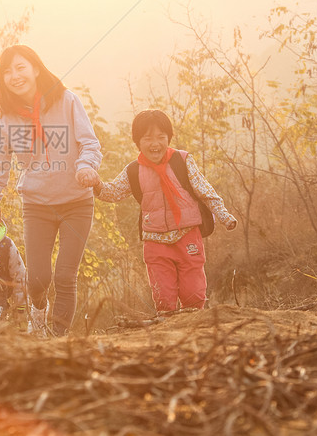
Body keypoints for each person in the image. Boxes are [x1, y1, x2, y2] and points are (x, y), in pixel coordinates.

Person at [0, 45, 102, 337]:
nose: (14, 75)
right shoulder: (5, 120)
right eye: (6, 71)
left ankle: (56, 341)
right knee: (39, 278)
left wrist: (86, 166)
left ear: (35, 68)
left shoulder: (67, 100)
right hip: (37, 206)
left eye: (20, 67)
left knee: (65, 276)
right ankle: (38, 308)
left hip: (77, 203)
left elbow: (90, 143)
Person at [92, 109, 237, 314]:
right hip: (155, 240)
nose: (155, 144)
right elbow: (112, 193)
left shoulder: (182, 161)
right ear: (138, 142)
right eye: (148, 138)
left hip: (188, 236)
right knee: (164, 299)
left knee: (194, 295)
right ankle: (168, 338)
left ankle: (193, 336)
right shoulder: (133, 170)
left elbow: (204, 190)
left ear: (169, 138)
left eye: (161, 137)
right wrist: (95, 183)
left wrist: (223, 215)